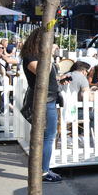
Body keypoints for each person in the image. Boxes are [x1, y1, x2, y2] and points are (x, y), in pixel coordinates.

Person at [21, 28, 63, 183]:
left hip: (49, 99)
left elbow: (49, 76)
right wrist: (50, 54)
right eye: (50, 40)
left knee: (47, 136)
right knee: (48, 137)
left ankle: (43, 170)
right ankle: (43, 172)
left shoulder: (37, 56)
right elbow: (42, 71)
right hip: (43, 101)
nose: (52, 43)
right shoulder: (30, 57)